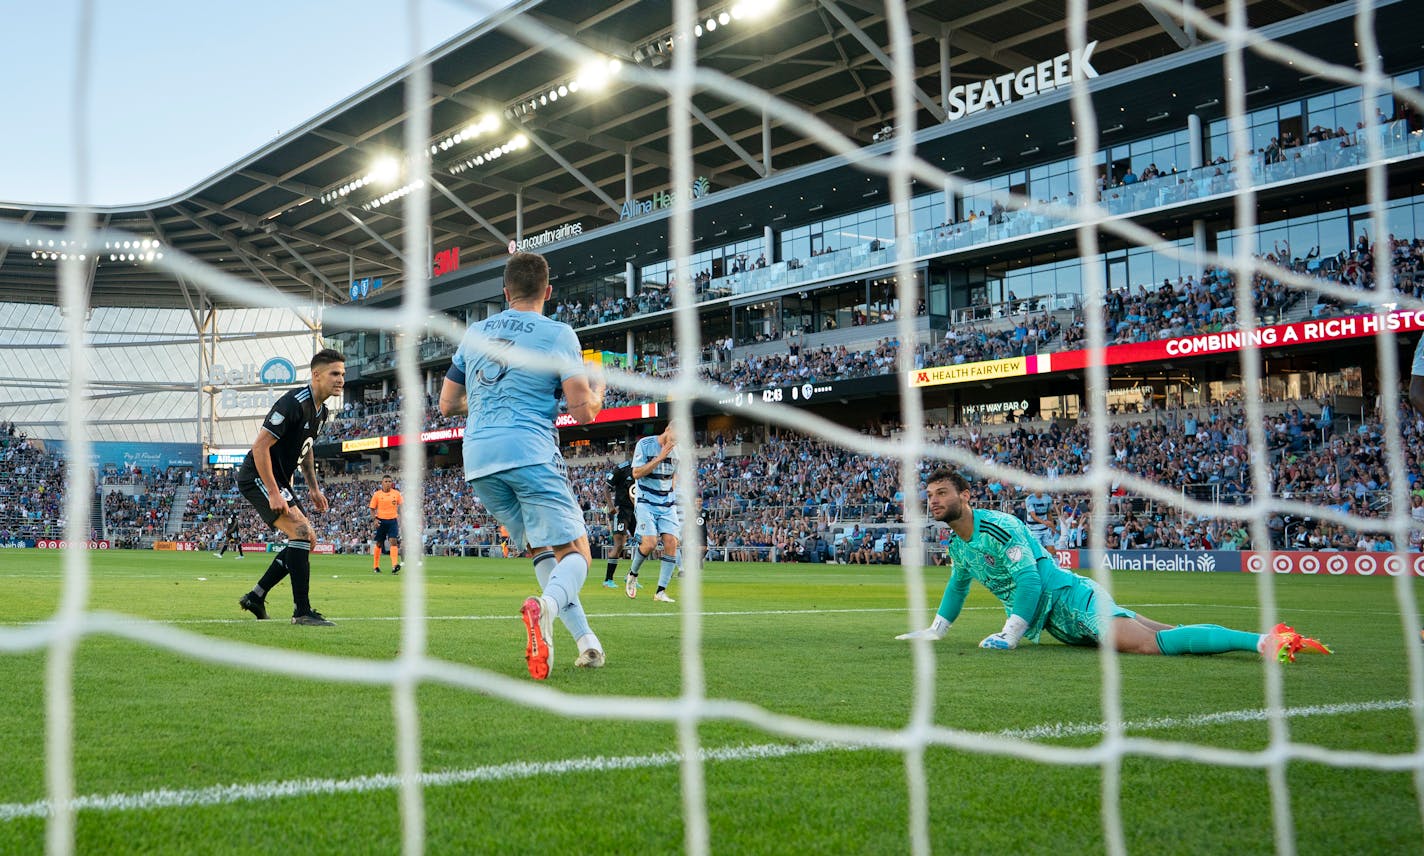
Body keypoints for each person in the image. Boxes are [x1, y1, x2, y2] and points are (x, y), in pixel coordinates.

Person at [896, 470, 1331, 662]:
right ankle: (1262, 638)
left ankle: (1264, 642)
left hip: (1071, 599)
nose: (933, 501)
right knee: (1164, 634)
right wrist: (937, 630)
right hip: (1057, 623)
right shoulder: (960, 543)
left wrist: (1010, 636)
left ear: (964, 496)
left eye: (941, 493)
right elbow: (958, 586)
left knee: (1146, 646)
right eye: (930, 495)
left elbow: (1029, 580)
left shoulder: (1001, 527)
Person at [439, 251, 607, 680]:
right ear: (548, 292)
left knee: (539, 549)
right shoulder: (558, 334)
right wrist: (599, 389)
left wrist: (483, 402)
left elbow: (446, 404)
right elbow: (582, 411)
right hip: (529, 451)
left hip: (478, 459)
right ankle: (545, 608)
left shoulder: (475, 332)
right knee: (578, 552)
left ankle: (586, 642)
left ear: (505, 291)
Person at [235, 349, 345, 627]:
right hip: (258, 475)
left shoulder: (321, 411)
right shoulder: (293, 403)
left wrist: (314, 488)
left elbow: (306, 451)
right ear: (316, 375)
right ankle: (302, 611)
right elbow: (259, 446)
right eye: (334, 373)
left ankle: (256, 597)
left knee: (307, 540)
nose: (340, 379)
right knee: (299, 532)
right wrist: (272, 491)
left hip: (282, 480)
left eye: (343, 374)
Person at [625, 423, 680, 603]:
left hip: (666, 503)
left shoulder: (680, 452)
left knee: (672, 542)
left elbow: (675, 474)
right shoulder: (645, 444)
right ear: (668, 429)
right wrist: (660, 457)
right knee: (650, 544)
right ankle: (632, 575)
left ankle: (660, 592)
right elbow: (636, 473)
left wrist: (672, 488)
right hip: (646, 501)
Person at [601, 459, 637, 589]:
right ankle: (608, 579)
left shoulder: (645, 467)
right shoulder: (622, 468)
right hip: (621, 510)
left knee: (644, 543)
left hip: (636, 511)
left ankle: (631, 576)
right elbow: (606, 487)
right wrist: (610, 506)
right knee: (619, 544)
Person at [369, 475, 403, 574]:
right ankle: (375, 566)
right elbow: (372, 508)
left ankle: (394, 565)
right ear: (382, 483)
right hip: (381, 521)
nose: (388, 483)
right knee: (379, 543)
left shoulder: (396, 494)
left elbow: (401, 506)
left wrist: (401, 517)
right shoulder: (377, 494)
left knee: (394, 541)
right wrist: (374, 519)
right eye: (386, 481)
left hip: (393, 521)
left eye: (390, 481)